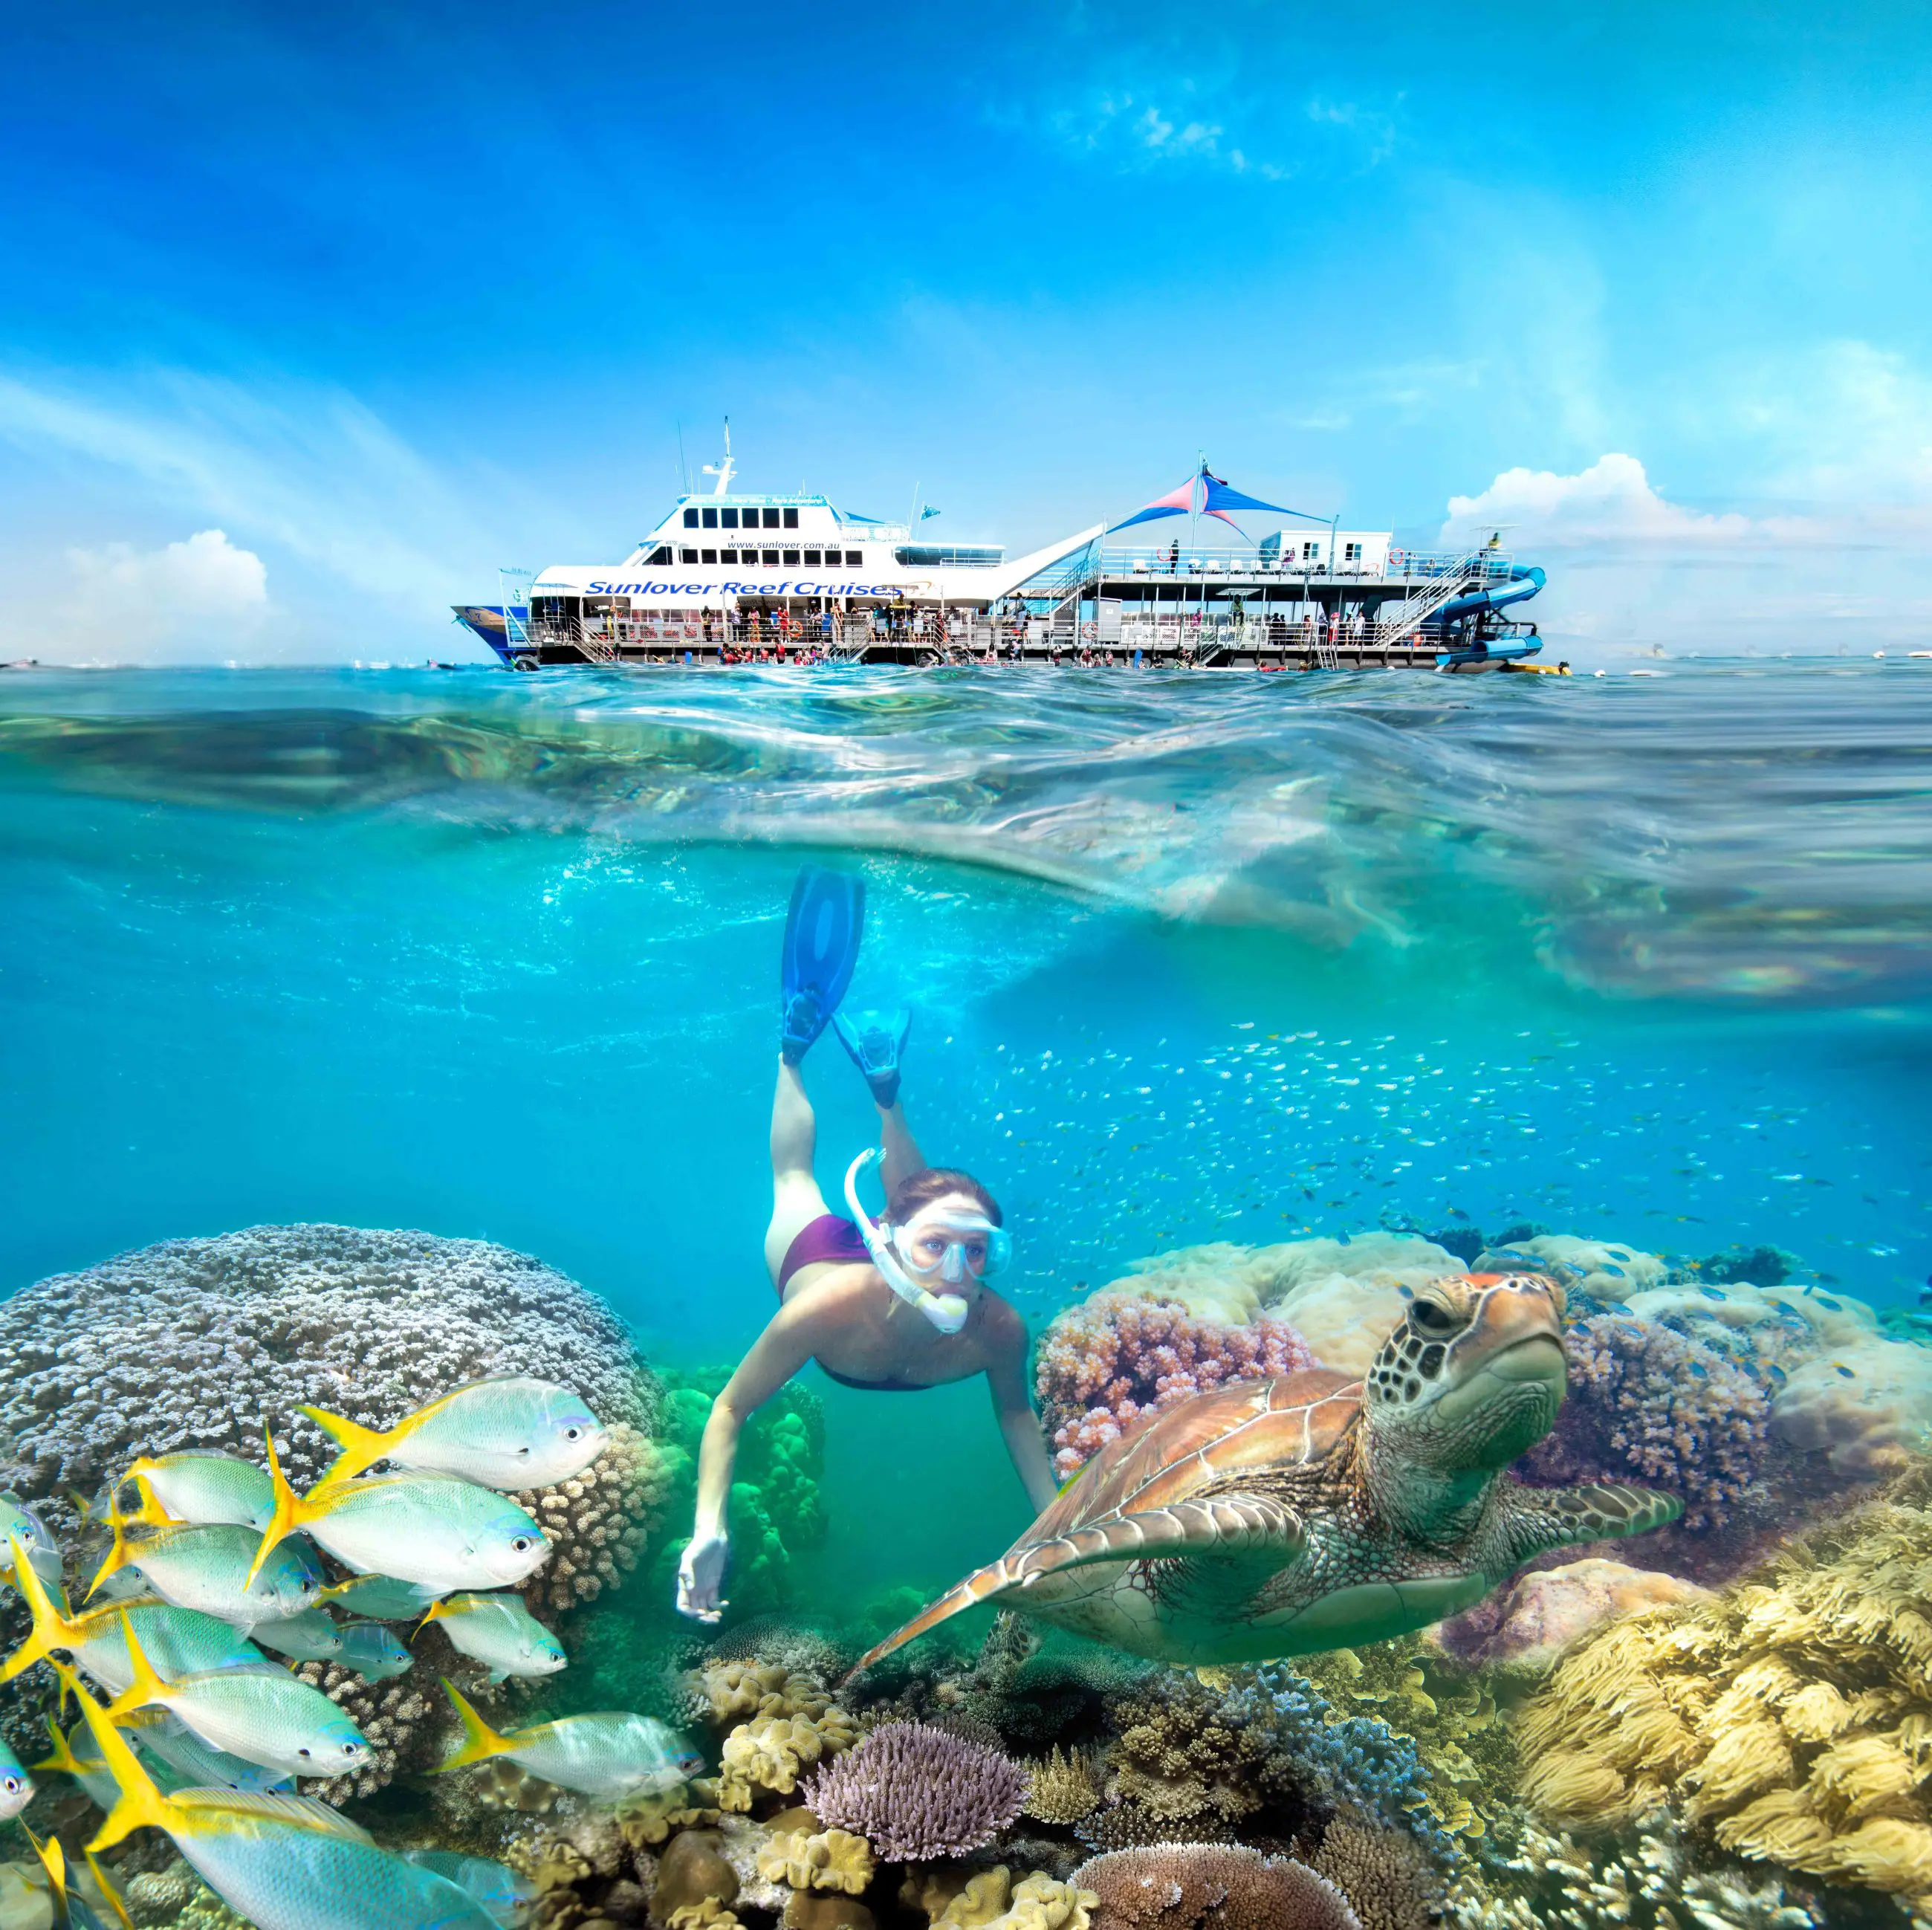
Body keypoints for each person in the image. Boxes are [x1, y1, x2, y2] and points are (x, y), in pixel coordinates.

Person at [675, 867, 1057, 1623]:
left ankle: (886, 1087)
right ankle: (791, 1049)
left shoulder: (999, 1329)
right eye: (936, 1249)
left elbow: (1016, 1417)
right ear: (884, 1236)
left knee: (931, 1206)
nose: (955, 1273)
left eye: (976, 1252)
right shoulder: (821, 1309)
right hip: (816, 1251)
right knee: (790, 1177)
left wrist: (1055, 1527)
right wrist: (707, 1528)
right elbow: (727, 1409)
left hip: (890, 1234)